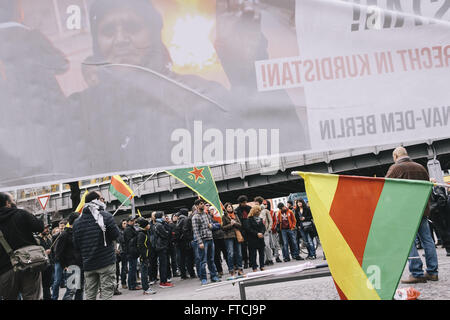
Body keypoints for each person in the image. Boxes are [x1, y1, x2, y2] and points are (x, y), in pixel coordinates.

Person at [386, 147, 439, 283]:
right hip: (422, 210)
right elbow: (428, 187)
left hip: (405, 212)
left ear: (396, 156)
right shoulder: (420, 167)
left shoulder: (395, 169)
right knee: (428, 240)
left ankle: (416, 272)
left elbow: (385, 187)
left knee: (408, 242)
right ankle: (433, 272)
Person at [72, 191, 121, 300]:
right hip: (106, 262)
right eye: (102, 199)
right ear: (96, 201)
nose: (104, 201)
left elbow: (76, 245)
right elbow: (116, 235)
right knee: (106, 293)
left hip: (89, 264)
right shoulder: (105, 216)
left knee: (90, 295)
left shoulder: (77, 223)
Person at [0, 192, 44, 300]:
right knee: (32, 296)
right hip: (28, 263)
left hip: (5, 270)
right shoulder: (20, 214)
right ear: (7, 203)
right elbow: (39, 226)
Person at [54, 212, 84, 300]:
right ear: (74, 221)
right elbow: (58, 253)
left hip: (80, 265)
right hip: (72, 265)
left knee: (80, 290)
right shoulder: (65, 234)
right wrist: (65, 266)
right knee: (70, 291)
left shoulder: (78, 232)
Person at [191, 199, 221, 285]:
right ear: (197, 206)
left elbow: (211, 225)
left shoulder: (206, 215)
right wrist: (200, 242)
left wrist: (212, 226)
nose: (203, 205)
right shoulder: (195, 217)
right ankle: (203, 278)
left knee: (211, 259)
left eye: (203, 204)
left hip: (210, 239)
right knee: (203, 261)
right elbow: (196, 231)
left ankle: (214, 276)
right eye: (201, 204)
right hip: (203, 241)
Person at [151, 211, 174, 288]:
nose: (164, 217)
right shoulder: (159, 225)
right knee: (163, 265)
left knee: (163, 264)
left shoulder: (157, 225)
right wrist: (167, 231)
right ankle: (163, 282)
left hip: (160, 246)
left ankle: (164, 281)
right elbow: (165, 234)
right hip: (161, 246)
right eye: (163, 216)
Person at [221, 203, 244, 277]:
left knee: (239, 253)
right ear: (225, 208)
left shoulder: (235, 215)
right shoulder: (224, 217)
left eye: (230, 206)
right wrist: (230, 224)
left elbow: (240, 225)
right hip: (228, 237)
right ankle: (231, 270)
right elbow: (223, 228)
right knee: (230, 254)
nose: (230, 208)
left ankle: (240, 269)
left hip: (237, 236)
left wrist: (235, 223)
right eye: (228, 207)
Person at [429, 178, 450, 256]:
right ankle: (448, 248)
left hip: (439, 213)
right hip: (438, 213)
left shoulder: (436, 189)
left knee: (444, 231)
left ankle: (448, 248)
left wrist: (433, 209)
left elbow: (442, 200)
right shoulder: (435, 189)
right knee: (443, 231)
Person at [136, 218, 156, 295]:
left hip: (146, 256)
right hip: (144, 257)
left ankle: (146, 287)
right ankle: (146, 289)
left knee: (145, 272)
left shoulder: (144, 232)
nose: (149, 225)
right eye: (147, 224)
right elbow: (141, 246)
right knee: (144, 273)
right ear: (144, 226)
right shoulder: (142, 234)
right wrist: (144, 256)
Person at [175, 209, 196, 279]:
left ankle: (183, 275)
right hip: (185, 242)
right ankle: (192, 273)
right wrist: (190, 238)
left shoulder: (179, 220)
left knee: (182, 259)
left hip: (179, 242)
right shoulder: (186, 219)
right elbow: (185, 231)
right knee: (189, 258)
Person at [50, 219, 68, 299]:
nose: (62, 230)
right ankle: (54, 297)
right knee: (57, 281)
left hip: (68, 260)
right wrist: (54, 258)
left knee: (69, 280)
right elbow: (53, 249)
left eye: (63, 228)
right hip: (58, 261)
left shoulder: (68, 235)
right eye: (60, 228)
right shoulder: (55, 237)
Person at [123, 216, 142, 290]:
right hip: (131, 252)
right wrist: (137, 236)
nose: (133, 222)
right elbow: (130, 241)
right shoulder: (128, 230)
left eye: (133, 220)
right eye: (131, 221)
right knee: (132, 269)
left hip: (132, 251)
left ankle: (132, 283)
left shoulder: (131, 228)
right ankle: (132, 285)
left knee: (133, 268)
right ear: (128, 222)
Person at [254, 197, 274, 265]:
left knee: (267, 245)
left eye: (256, 202)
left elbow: (270, 220)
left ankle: (270, 259)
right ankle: (265, 260)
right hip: (259, 232)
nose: (255, 203)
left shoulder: (265, 211)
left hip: (265, 231)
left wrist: (269, 229)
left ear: (259, 202)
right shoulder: (255, 212)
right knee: (262, 246)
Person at [35, 224, 53, 300]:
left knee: (48, 284)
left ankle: (48, 297)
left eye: (48, 228)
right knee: (43, 285)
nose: (47, 230)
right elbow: (35, 253)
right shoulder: (37, 240)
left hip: (50, 264)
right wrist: (45, 252)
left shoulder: (48, 239)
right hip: (42, 265)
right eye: (45, 228)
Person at [208, 206, 227, 277]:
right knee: (216, 256)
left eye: (213, 209)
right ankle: (219, 270)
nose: (212, 211)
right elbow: (209, 226)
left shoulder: (219, 215)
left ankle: (231, 268)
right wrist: (215, 225)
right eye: (211, 210)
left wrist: (213, 226)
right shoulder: (208, 217)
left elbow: (220, 224)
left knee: (226, 253)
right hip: (214, 238)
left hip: (221, 237)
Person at [246, 206, 266, 272]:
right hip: (252, 239)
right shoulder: (249, 219)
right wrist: (257, 233)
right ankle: (254, 267)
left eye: (259, 211)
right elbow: (249, 229)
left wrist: (262, 233)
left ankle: (262, 266)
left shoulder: (260, 219)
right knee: (253, 254)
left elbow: (263, 228)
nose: (259, 212)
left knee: (262, 253)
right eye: (257, 211)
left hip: (260, 239)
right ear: (254, 211)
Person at [234, 195, 252, 269]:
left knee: (251, 247)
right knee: (243, 248)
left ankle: (251, 261)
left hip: (250, 230)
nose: (245, 204)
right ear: (240, 203)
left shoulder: (249, 208)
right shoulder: (237, 211)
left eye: (245, 202)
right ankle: (245, 262)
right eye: (243, 203)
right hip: (242, 230)